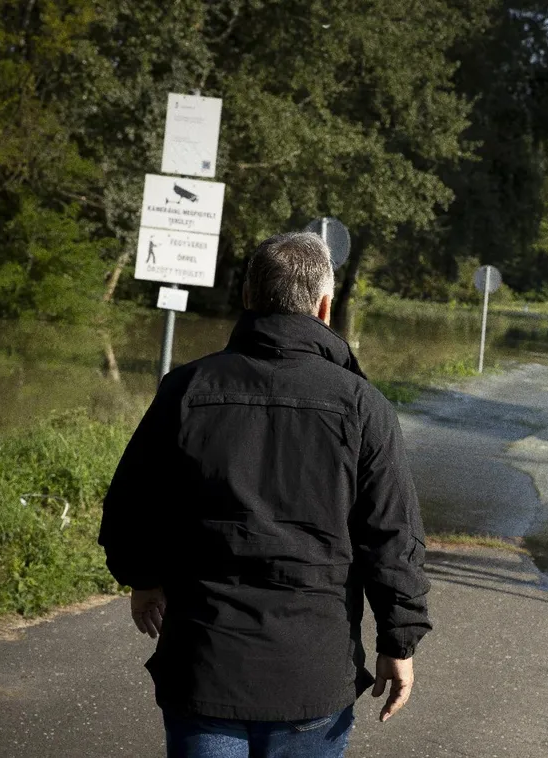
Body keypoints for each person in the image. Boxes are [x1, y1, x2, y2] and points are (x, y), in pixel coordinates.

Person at [99, 232, 431, 758]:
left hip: (204, 663)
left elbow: (131, 505)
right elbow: (390, 536)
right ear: (324, 306)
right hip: (312, 670)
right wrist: (399, 640)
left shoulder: (187, 389)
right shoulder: (364, 406)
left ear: (248, 299)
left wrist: (143, 578)